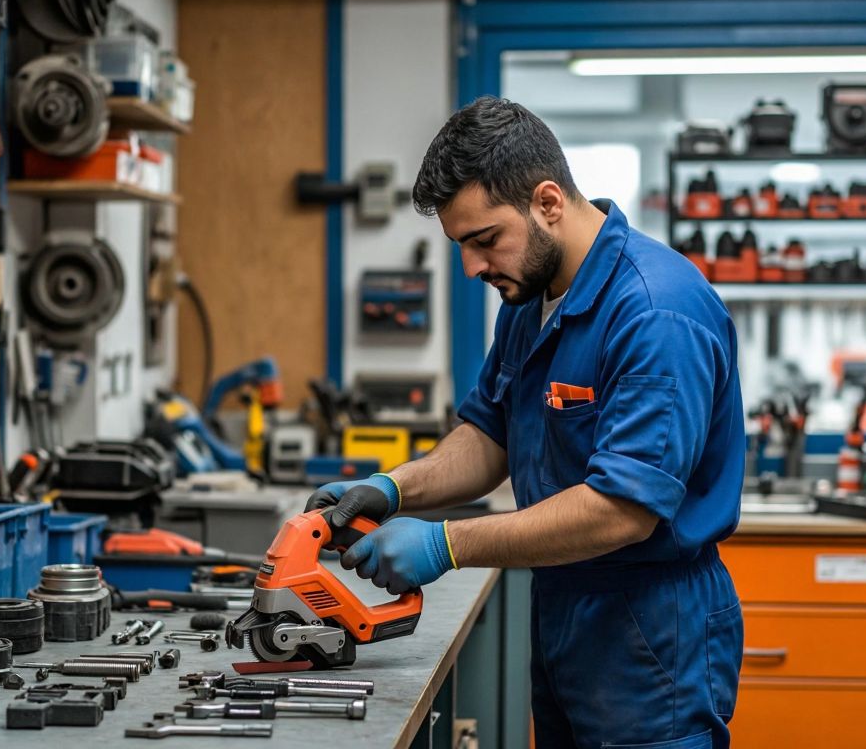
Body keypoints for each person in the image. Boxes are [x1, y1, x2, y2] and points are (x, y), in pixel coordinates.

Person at [308, 96, 744, 749]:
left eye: (485, 241)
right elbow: (490, 438)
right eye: (461, 245)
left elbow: (621, 512)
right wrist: (393, 488)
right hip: (566, 610)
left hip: (654, 631)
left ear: (547, 203)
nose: (473, 268)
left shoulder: (655, 312)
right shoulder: (528, 297)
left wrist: (447, 545)